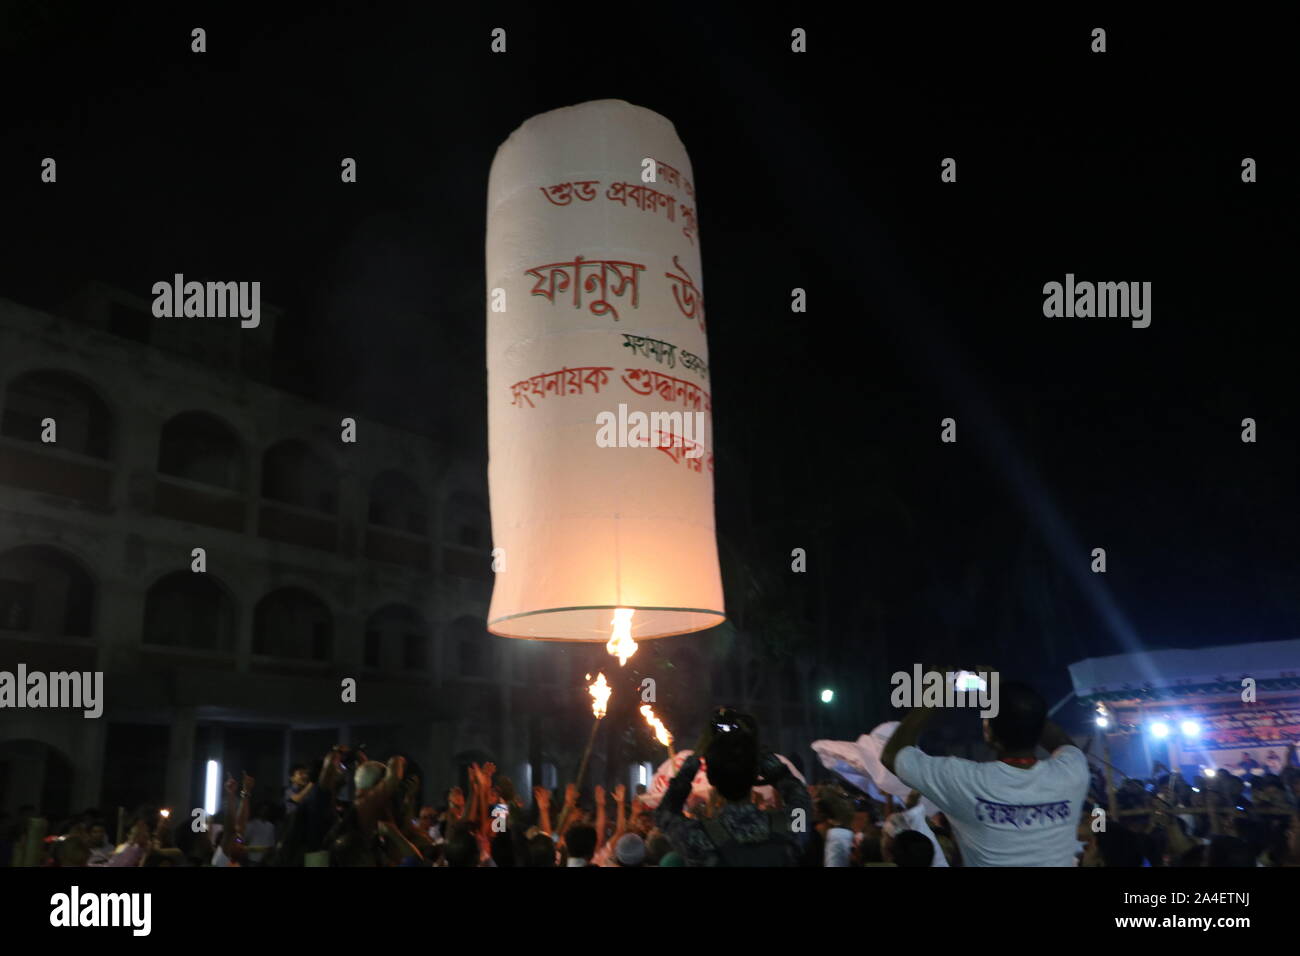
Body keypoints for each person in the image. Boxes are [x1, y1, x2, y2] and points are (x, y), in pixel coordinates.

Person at [882, 680, 1089, 866]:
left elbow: (892, 755)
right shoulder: (1071, 774)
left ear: (988, 733)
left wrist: (930, 699)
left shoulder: (963, 781)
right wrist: (1007, 701)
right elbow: (1059, 741)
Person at [656, 709, 811, 866]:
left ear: (710, 778)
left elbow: (664, 814)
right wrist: (759, 752)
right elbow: (798, 795)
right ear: (756, 773)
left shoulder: (699, 837)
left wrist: (698, 753)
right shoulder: (791, 828)